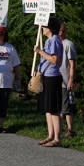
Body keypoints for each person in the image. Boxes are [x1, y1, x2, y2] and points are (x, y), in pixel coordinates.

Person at [34, 16, 64, 147]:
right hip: (46, 76)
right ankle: (50, 134)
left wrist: (40, 52)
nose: (42, 29)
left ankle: (57, 138)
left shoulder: (55, 40)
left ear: (50, 28)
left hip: (53, 77)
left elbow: (54, 59)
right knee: (47, 108)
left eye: (44, 27)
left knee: (53, 109)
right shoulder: (49, 40)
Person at [59, 23, 77, 138]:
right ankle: (61, 129)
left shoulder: (68, 44)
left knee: (66, 107)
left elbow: (72, 63)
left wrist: (71, 79)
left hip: (65, 81)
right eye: (59, 31)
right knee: (59, 106)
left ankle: (69, 130)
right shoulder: (53, 43)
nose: (61, 33)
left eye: (63, 31)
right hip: (54, 80)